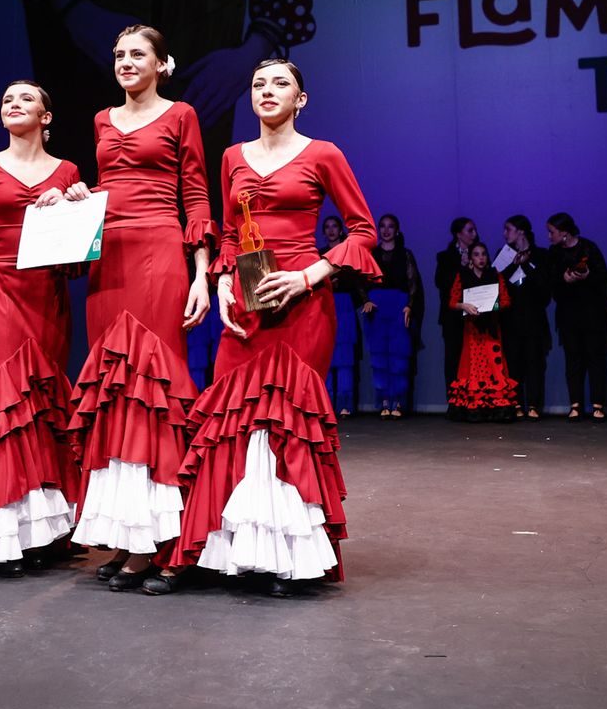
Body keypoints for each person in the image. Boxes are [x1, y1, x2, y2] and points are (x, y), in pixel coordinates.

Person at [159, 59, 380, 597]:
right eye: (258, 83)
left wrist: (308, 276)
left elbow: (363, 231)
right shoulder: (233, 156)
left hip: (302, 307)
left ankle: (285, 557)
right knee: (230, 422)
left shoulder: (323, 153)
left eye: (280, 83)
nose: (267, 91)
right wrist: (224, 284)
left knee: (285, 423)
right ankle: (219, 552)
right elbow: (232, 235)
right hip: (248, 302)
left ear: (301, 99)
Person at [38, 25, 215, 591]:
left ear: (163, 63)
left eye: (138, 54)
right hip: (108, 258)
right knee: (114, 391)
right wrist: (76, 197)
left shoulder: (181, 114)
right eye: (118, 54)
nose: (125, 62)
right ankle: (124, 536)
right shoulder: (100, 120)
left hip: (159, 253)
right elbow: (111, 186)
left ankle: (163, 546)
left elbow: (195, 195)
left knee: (154, 390)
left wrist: (202, 274)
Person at [0, 81, 83, 575]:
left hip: (46, 296)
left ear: (46, 117)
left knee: (45, 402)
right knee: (9, 400)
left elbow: (77, 260)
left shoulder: (67, 171)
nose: (14, 105)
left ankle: (46, 529)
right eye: (6, 99)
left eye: (26, 99)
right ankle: (5, 533)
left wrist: (75, 206)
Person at [546, 212, 607, 421]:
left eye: (552, 232)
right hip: (568, 315)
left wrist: (587, 275)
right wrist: (564, 279)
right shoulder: (554, 253)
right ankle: (575, 405)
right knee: (573, 359)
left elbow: (603, 275)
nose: (549, 236)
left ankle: (598, 405)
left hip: (592, 314)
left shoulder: (588, 248)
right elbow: (550, 281)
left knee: (595, 358)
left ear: (564, 233)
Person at [446, 242, 518, 421]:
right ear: (470, 258)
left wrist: (493, 306)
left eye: (483, 254)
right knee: (474, 367)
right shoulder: (463, 276)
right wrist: (464, 305)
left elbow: (506, 300)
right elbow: (452, 302)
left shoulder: (494, 275)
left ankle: (497, 407)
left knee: (494, 366)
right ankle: (474, 407)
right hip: (472, 329)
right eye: (476, 254)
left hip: (491, 329)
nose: (481, 258)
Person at [364, 213, 425, 417]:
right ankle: (384, 402)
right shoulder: (371, 253)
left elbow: (413, 282)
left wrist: (409, 305)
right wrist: (366, 300)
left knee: (398, 356)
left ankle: (398, 402)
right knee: (380, 356)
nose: (386, 230)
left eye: (390, 226)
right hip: (378, 307)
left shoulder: (405, 254)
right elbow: (360, 278)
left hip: (398, 306)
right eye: (383, 226)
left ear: (397, 230)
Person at [497, 215, 551, 419]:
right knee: (514, 362)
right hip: (511, 318)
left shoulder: (540, 255)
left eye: (508, 229)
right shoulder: (503, 254)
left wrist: (527, 265)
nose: (504, 233)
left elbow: (545, 287)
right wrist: (513, 264)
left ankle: (534, 405)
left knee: (534, 362)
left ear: (521, 231)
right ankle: (517, 403)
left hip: (534, 317)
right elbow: (498, 282)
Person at [320, 215, 364, 417]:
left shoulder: (348, 253)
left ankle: (345, 404)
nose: (331, 230)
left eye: (334, 227)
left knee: (345, 359)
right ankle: (325, 404)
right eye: (327, 227)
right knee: (324, 356)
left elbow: (356, 281)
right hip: (323, 306)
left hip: (344, 307)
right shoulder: (318, 254)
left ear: (340, 230)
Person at [434, 218, 479, 395]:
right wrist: (460, 267)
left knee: (475, 357)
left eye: (474, 230)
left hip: (475, 314)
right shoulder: (445, 257)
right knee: (453, 357)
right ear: (458, 234)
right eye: (470, 230)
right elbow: (440, 282)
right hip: (452, 315)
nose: (474, 234)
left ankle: (474, 397)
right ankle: (454, 398)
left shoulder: (479, 253)